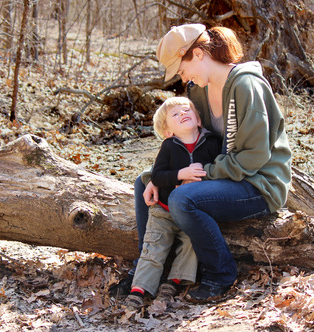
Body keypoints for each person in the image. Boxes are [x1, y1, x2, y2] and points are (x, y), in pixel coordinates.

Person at [111, 23, 292, 304]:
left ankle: (220, 274)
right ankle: (147, 268)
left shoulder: (247, 85)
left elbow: (254, 157)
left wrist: (206, 173)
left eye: (181, 69)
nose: (183, 78)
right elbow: (196, 145)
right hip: (225, 174)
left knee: (183, 199)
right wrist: (159, 176)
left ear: (197, 54)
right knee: (143, 183)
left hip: (258, 183)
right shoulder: (198, 90)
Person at [124, 96, 222, 309]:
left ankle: (173, 282)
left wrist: (197, 178)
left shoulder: (212, 143)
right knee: (154, 246)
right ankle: (139, 289)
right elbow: (157, 177)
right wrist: (181, 174)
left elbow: (220, 169)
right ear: (168, 131)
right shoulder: (169, 146)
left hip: (193, 211)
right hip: (164, 211)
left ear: (198, 120)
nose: (183, 114)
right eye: (175, 115)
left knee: (191, 246)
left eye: (187, 110)